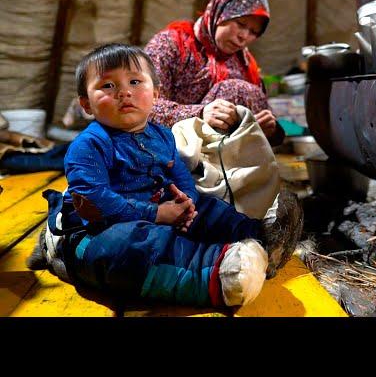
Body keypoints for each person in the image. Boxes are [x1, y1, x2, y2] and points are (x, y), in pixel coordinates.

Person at [26, 43, 303, 308]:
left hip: (165, 213)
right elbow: (96, 201)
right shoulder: (88, 145)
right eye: (108, 85)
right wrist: (156, 214)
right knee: (129, 246)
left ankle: (263, 238)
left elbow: (180, 175)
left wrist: (188, 205)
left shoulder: (161, 135)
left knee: (212, 209)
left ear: (156, 94)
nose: (124, 92)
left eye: (135, 82)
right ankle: (221, 273)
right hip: (105, 225)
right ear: (86, 104)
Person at [144, 0, 285, 146]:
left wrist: (270, 130)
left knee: (240, 89)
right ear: (221, 12)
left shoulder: (244, 63)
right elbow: (143, 105)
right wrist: (200, 114)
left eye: (254, 32)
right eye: (240, 24)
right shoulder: (170, 45)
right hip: (171, 151)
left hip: (230, 161)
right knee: (232, 89)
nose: (244, 36)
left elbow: (264, 120)